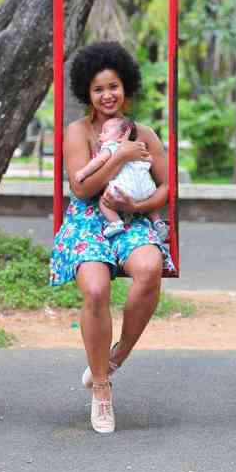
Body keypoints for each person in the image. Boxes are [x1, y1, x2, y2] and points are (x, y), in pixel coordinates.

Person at [49, 41, 175, 433]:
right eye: (99, 88)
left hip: (130, 217)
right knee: (96, 289)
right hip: (88, 220)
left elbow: (167, 187)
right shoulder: (78, 131)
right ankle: (101, 388)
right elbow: (82, 188)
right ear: (87, 92)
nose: (108, 95)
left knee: (150, 267)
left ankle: (115, 356)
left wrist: (138, 209)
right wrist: (119, 156)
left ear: (126, 88)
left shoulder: (145, 134)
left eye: (114, 86)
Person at [74, 116, 169, 241]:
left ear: (122, 135)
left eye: (105, 132)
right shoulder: (137, 148)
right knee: (149, 202)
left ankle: (115, 222)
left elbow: (100, 160)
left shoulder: (111, 146)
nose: (100, 135)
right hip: (147, 189)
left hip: (124, 189)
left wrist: (83, 172)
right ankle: (157, 222)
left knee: (104, 201)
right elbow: (149, 160)